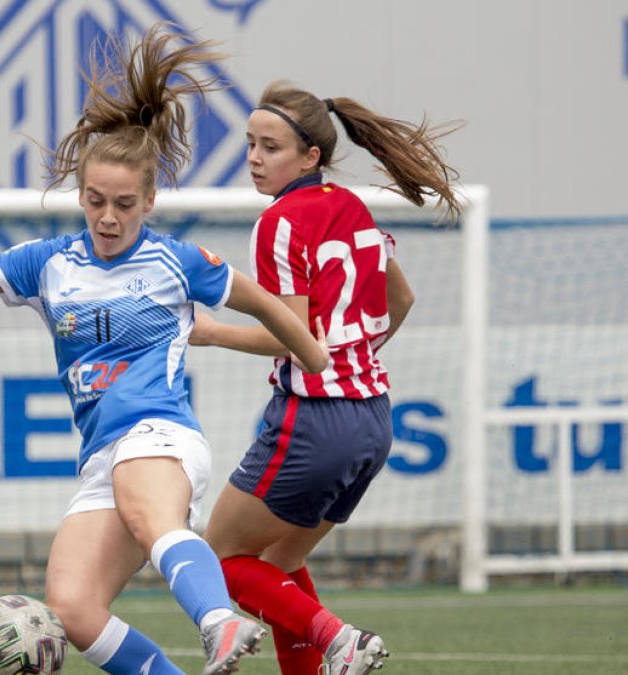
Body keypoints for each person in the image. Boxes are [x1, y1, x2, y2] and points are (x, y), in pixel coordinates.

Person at [0, 25, 329, 675]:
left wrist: (313, 355)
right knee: (72, 605)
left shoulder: (177, 261)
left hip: (159, 432)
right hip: (103, 451)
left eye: (124, 204)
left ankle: (218, 619)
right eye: (95, 200)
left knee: (149, 510)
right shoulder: (48, 263)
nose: (107, 216)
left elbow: (264, 302)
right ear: (81, 196)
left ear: (149, 201)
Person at [192, 81, 463, 675]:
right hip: (372, 420)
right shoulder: (352, 206)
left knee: (216, 559)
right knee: (281, 565)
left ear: (310, 156)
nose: (256, 159)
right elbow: (404, 297)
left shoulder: (279, 222)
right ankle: (326, 654)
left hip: (315, 420)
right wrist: (355, 356)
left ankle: (339, 637)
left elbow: (290, 335)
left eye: (271, 147)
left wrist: (211, 333)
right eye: (251, 145)